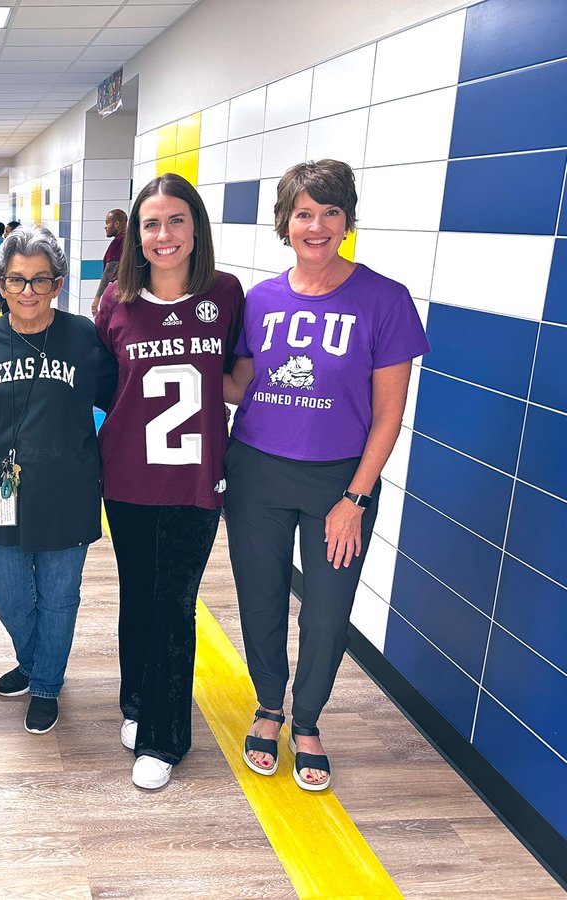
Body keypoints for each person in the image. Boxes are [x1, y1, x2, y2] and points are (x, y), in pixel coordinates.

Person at [224, 159, 429, 792]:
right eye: (303, 213)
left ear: (347, 221)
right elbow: (239, 386)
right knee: (259, 599)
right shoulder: (259, 300)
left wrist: (355, 498)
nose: (315, 226)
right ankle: (268, 705)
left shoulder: (384, 299)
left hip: (339, 482)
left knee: (327, 610)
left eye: (329, 213)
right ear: (283, 222)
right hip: (256, 470)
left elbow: (389, 416)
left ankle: (307, 720)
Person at [94, 175, 244, 790]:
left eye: (177, 221)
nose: (164, 235)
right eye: (151, 224)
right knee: (138, 593)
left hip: (195, 480)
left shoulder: (227, 294)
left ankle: (165, 736)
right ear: (136, 236)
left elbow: (241, 368)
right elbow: (105, 386)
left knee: (175, 603)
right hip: (127, 476)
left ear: (196, 227)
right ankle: (135, 701)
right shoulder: (115, 302)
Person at [0, 225, 117, 735]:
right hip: (4, 489)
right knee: (10, 594)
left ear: (58, 284)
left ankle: (45, 684)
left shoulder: (83, 337)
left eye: (40, 280)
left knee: (60, 597)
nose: (27, 291)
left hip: (69, 490)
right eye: (16, 280)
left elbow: (121, 400)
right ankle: (37, 657)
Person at [92, 208, 127, 317]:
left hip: (117, 293)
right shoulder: (131, 240)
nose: (105, 226)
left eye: (107, 223)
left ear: (116, 224)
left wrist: (97, 298)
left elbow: (109, 272)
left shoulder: (118, 242)